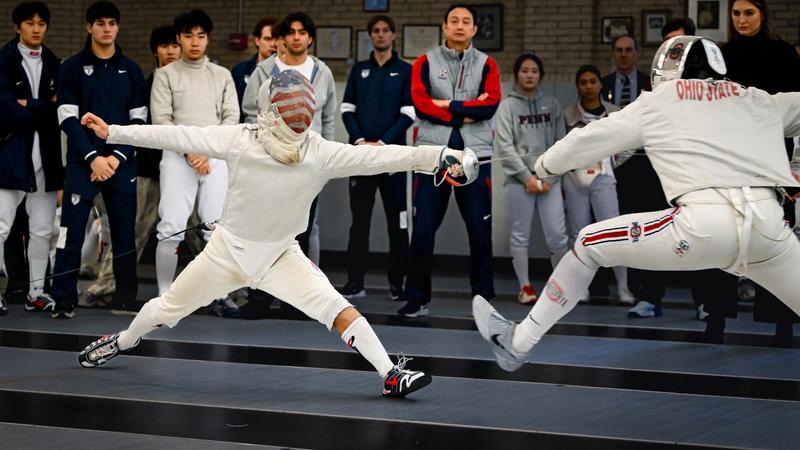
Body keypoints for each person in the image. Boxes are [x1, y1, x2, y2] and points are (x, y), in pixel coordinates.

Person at [76, 69, 479, 397]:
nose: (296, 114)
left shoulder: (319, 152)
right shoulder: (242, 140)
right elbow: (175, 134)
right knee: (166, 310)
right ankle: (123, 341)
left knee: (337, 309)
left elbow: (381, 156)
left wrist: (440, 156)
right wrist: (114, 132)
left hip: (282, 257)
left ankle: (391, 374)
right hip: (225, 254)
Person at [473, 35, 800, 372]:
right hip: (770, 231)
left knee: (587, 244)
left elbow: (590, 139)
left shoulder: (660, 100)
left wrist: (545, 165)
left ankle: (518, 343)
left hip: (700, 228)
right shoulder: (756, 98)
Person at [399, 4, 501, 317]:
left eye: (466, 21)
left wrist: (448, 104)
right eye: (453, 20)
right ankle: (417, 299)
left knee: (480, 231)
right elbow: (421, 104)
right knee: (423, 230)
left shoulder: (487, 64)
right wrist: (466, 111)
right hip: (432, 155)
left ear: (474, 29)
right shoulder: (424, 62)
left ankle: (483, 301)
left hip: (476, 156)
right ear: (444, 27)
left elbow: (490, 105)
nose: (459, 25)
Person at [52, 0, 146, 319]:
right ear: (89, 27)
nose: (107, 29)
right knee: (72, 231)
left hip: (121, 164)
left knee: (123, 233)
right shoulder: (71, 67)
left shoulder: (132, 70)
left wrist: (115, 158)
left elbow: (139, 121)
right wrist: (93, 158)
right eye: (101, 23)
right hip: (83, 163)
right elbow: (67, 118)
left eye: (112, 23)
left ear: (118, 27)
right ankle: (63, 298)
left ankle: (125, 299)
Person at [80, 24, 180, 310]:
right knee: (132, 231)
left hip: (188, 169)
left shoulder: (190, 83)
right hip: (149, 170)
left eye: (175, 45)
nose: (171, 51)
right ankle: (105, 287)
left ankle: (228, 294)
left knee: (204, 232)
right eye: (164, 46)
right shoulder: (146, 84)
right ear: (155, 51)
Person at [719, 0, 800, 346]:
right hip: (729, 153)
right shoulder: (721, 55)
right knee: (723, 230)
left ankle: (782, 323)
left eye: (748, 13)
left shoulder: (783, 54)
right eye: (736, 13)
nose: (742, 20)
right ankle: (716, 319)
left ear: (762, 14)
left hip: (772, 155)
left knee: (775, 235)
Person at [150, 10, 240, 319]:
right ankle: (164, 297)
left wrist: (208, 152)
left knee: (216, 228)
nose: (195, 42)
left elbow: (231, 118)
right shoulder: (166, 75)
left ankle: (220, 295)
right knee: (171, 225)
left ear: (208, 39)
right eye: (188, 36)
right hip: (177, 159)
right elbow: (162, 121)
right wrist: (191, 153)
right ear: (179, 38)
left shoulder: (222, 75)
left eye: (200, 36)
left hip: (214, 158)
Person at [242, 12, 336, 263]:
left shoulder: (322, 72)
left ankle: (298, 288)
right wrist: (261, 152)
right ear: (281, 38)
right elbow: (250, 113)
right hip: (270, 162)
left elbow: (328, 119)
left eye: (302, 32)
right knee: (268, 225)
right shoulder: (264, 71)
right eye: (291, 32)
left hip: (309, 161)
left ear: (310, 38)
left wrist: (326, 158)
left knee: (304, 227)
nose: (296, 37)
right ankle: (263, 286)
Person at [338, 15, 414, 301]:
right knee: (359, 223)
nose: (381, 35)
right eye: (376, 31)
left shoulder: (405, 70)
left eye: (385, 31)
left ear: (393, 35)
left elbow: (408, 114)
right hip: (361, 158)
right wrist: (361, 141)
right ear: (370, 36)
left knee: (398, 223)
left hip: (393, 159)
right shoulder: (359, 70)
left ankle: (398, 285)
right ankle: (355, 283)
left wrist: (382, 143)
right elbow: (347, 109)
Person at [0, 1, 62, 316]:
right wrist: (44, 108)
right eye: (29, 23)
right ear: (17, 27)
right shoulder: (3, 60)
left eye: (41, 23)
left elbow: (61, 108)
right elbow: (4, 108)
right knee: (1, 227)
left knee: (41, 230)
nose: (36, 29)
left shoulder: (53, 61)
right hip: (11, 156)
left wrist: (30, 105)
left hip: (46, 159)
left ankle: (36, 293)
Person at [493, 53, 567, 304]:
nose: (529, 75)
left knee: (557, 236)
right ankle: (525, 288)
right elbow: (505, 146)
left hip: (549, 181)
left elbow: (561, 143)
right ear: (516, 74)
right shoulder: (507, 107)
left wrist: (549, 177)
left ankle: (562, 287)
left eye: (534, 71)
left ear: (540, 76)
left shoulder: (553, 105)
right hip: (519, 182)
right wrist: (527, 178)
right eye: (524, 70)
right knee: (520, 235)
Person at [561, 65, 635, 304]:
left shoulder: (614, 113)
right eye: (583, 82)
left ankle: (623, 288)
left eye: (593, 81)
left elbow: (629, 142)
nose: (588, 86)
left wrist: (612, 161)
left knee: (615, 232)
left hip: (603, 177)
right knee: (578, 235)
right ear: (577, 86)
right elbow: (559, 147)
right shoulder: (567, 114)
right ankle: (581, 288)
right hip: (575, 179)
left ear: (600, 84)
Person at [231, 17, 276, 122]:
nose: (273, 44)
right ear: (257, 40)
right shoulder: (240, 70)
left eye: (276, 39)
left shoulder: (284, 71)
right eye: (268, 39)